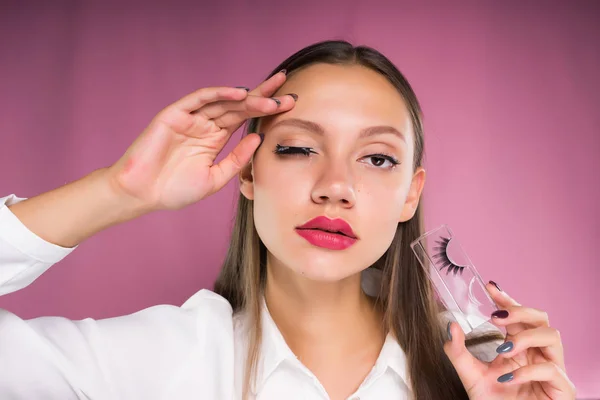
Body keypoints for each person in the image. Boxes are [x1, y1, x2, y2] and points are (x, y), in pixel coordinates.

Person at [0, 40, 575, 400]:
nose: (335, 188)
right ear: (247, 174)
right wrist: (120, 189)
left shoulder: (485, 375)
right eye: (299, 149)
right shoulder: (165, 359)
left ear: (410, 194)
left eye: (377, 159)